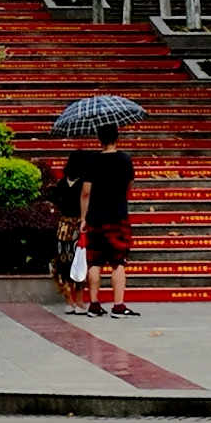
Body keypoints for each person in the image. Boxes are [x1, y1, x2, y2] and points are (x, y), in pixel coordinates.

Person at [75, 123, 136, 318]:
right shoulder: (126, 160)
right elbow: (130, 187)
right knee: (118, 262)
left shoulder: (92, 161)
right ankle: (118, 305)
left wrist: (83, 218)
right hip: (118, 216)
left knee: (95, 261)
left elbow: (85, 192)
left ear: (99, 139)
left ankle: (94, 304)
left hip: (95, 217)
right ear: (117, 138)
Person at [47, 156, 91, 314]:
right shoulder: (83, 184)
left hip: (63, 228)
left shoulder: (63, 183)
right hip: (78, 228)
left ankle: (68, 301)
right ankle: (79, 302)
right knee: (79, 263)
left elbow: (52, 198)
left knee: (63, 264)